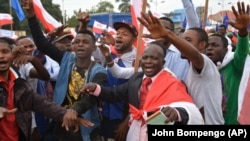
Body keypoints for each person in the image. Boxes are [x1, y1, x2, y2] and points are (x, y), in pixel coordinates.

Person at [81, 42, 204, 141]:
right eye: (145, 58)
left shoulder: (172, 82)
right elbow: (114, 94)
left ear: (163, 62)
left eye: (154, 58)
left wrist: (176, 113)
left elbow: (186, 107)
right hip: (135, 131)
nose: (148, 61)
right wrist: (95, 88)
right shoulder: (137, 78)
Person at [24, 1, 108, 140]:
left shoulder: (99, 71)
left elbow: (91, 98)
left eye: (85, 42)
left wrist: (74, 111)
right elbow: (42, 44)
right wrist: (32, 16)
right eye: (77, 42)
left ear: (94, 48)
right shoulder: (66, 59)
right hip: (60, 122)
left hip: (84, 125)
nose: (80, 44)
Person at [137, 11, 224, 124]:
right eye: (181, 39)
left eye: (187, 41)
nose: (182, 43)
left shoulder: (204, 62)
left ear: (202, 45)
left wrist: (167, 35)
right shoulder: (190, 69)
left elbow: (196, 56)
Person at [0, 39, 89, 141]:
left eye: (5, 52)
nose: (1, 56)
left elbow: (42, 104)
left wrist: (68, 114)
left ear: (12, 55)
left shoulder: (19, 84)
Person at [206, 1, 250, 124]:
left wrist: (242, 32)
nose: (209, 48)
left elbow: (242, 52)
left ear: (226, 49)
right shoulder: (205, 68)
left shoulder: (235, 64)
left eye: (214, 45)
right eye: (208, 46)